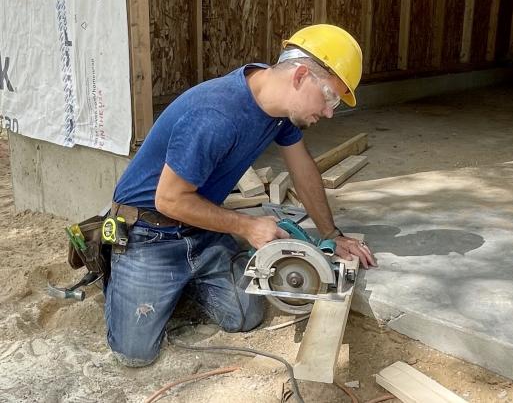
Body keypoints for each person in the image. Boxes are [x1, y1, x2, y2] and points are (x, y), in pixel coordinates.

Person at [105, 24, 377, 367]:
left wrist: (330, 234)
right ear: (301, 76)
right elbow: (169, 200)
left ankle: (183, 280)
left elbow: (302, 169)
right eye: (330, 96)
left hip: (201, 228)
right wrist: (246, 226)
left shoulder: (279, 111)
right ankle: (129, 273)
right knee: (135, 353)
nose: (329, 111)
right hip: (148, 232)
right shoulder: (216, 115)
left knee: (244, 316)